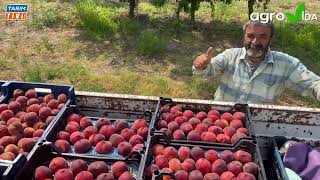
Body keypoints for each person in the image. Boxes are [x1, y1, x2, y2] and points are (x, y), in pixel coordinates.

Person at [192, 20, 320, 104]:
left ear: (271, 39)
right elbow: (207, 70)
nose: (255, 42)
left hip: (257, 124)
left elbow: (313, 84)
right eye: (251, 36)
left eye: (263, 36)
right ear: (244, 36)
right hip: (222, 121)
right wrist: (201, 65)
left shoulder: (286, 64)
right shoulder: (230, 56)